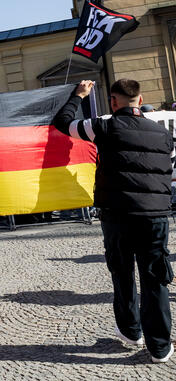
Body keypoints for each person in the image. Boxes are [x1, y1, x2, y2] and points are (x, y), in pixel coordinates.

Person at [53, 79, 174, 363]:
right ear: (140, 100)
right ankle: (159, 347)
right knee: (155, 279)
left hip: (117, 215)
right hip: (154, 215)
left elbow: (63, 123)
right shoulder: (162, 133)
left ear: (113, 102)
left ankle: (131, 331)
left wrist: (78, 95)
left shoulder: (102, 127)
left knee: (122, 274)